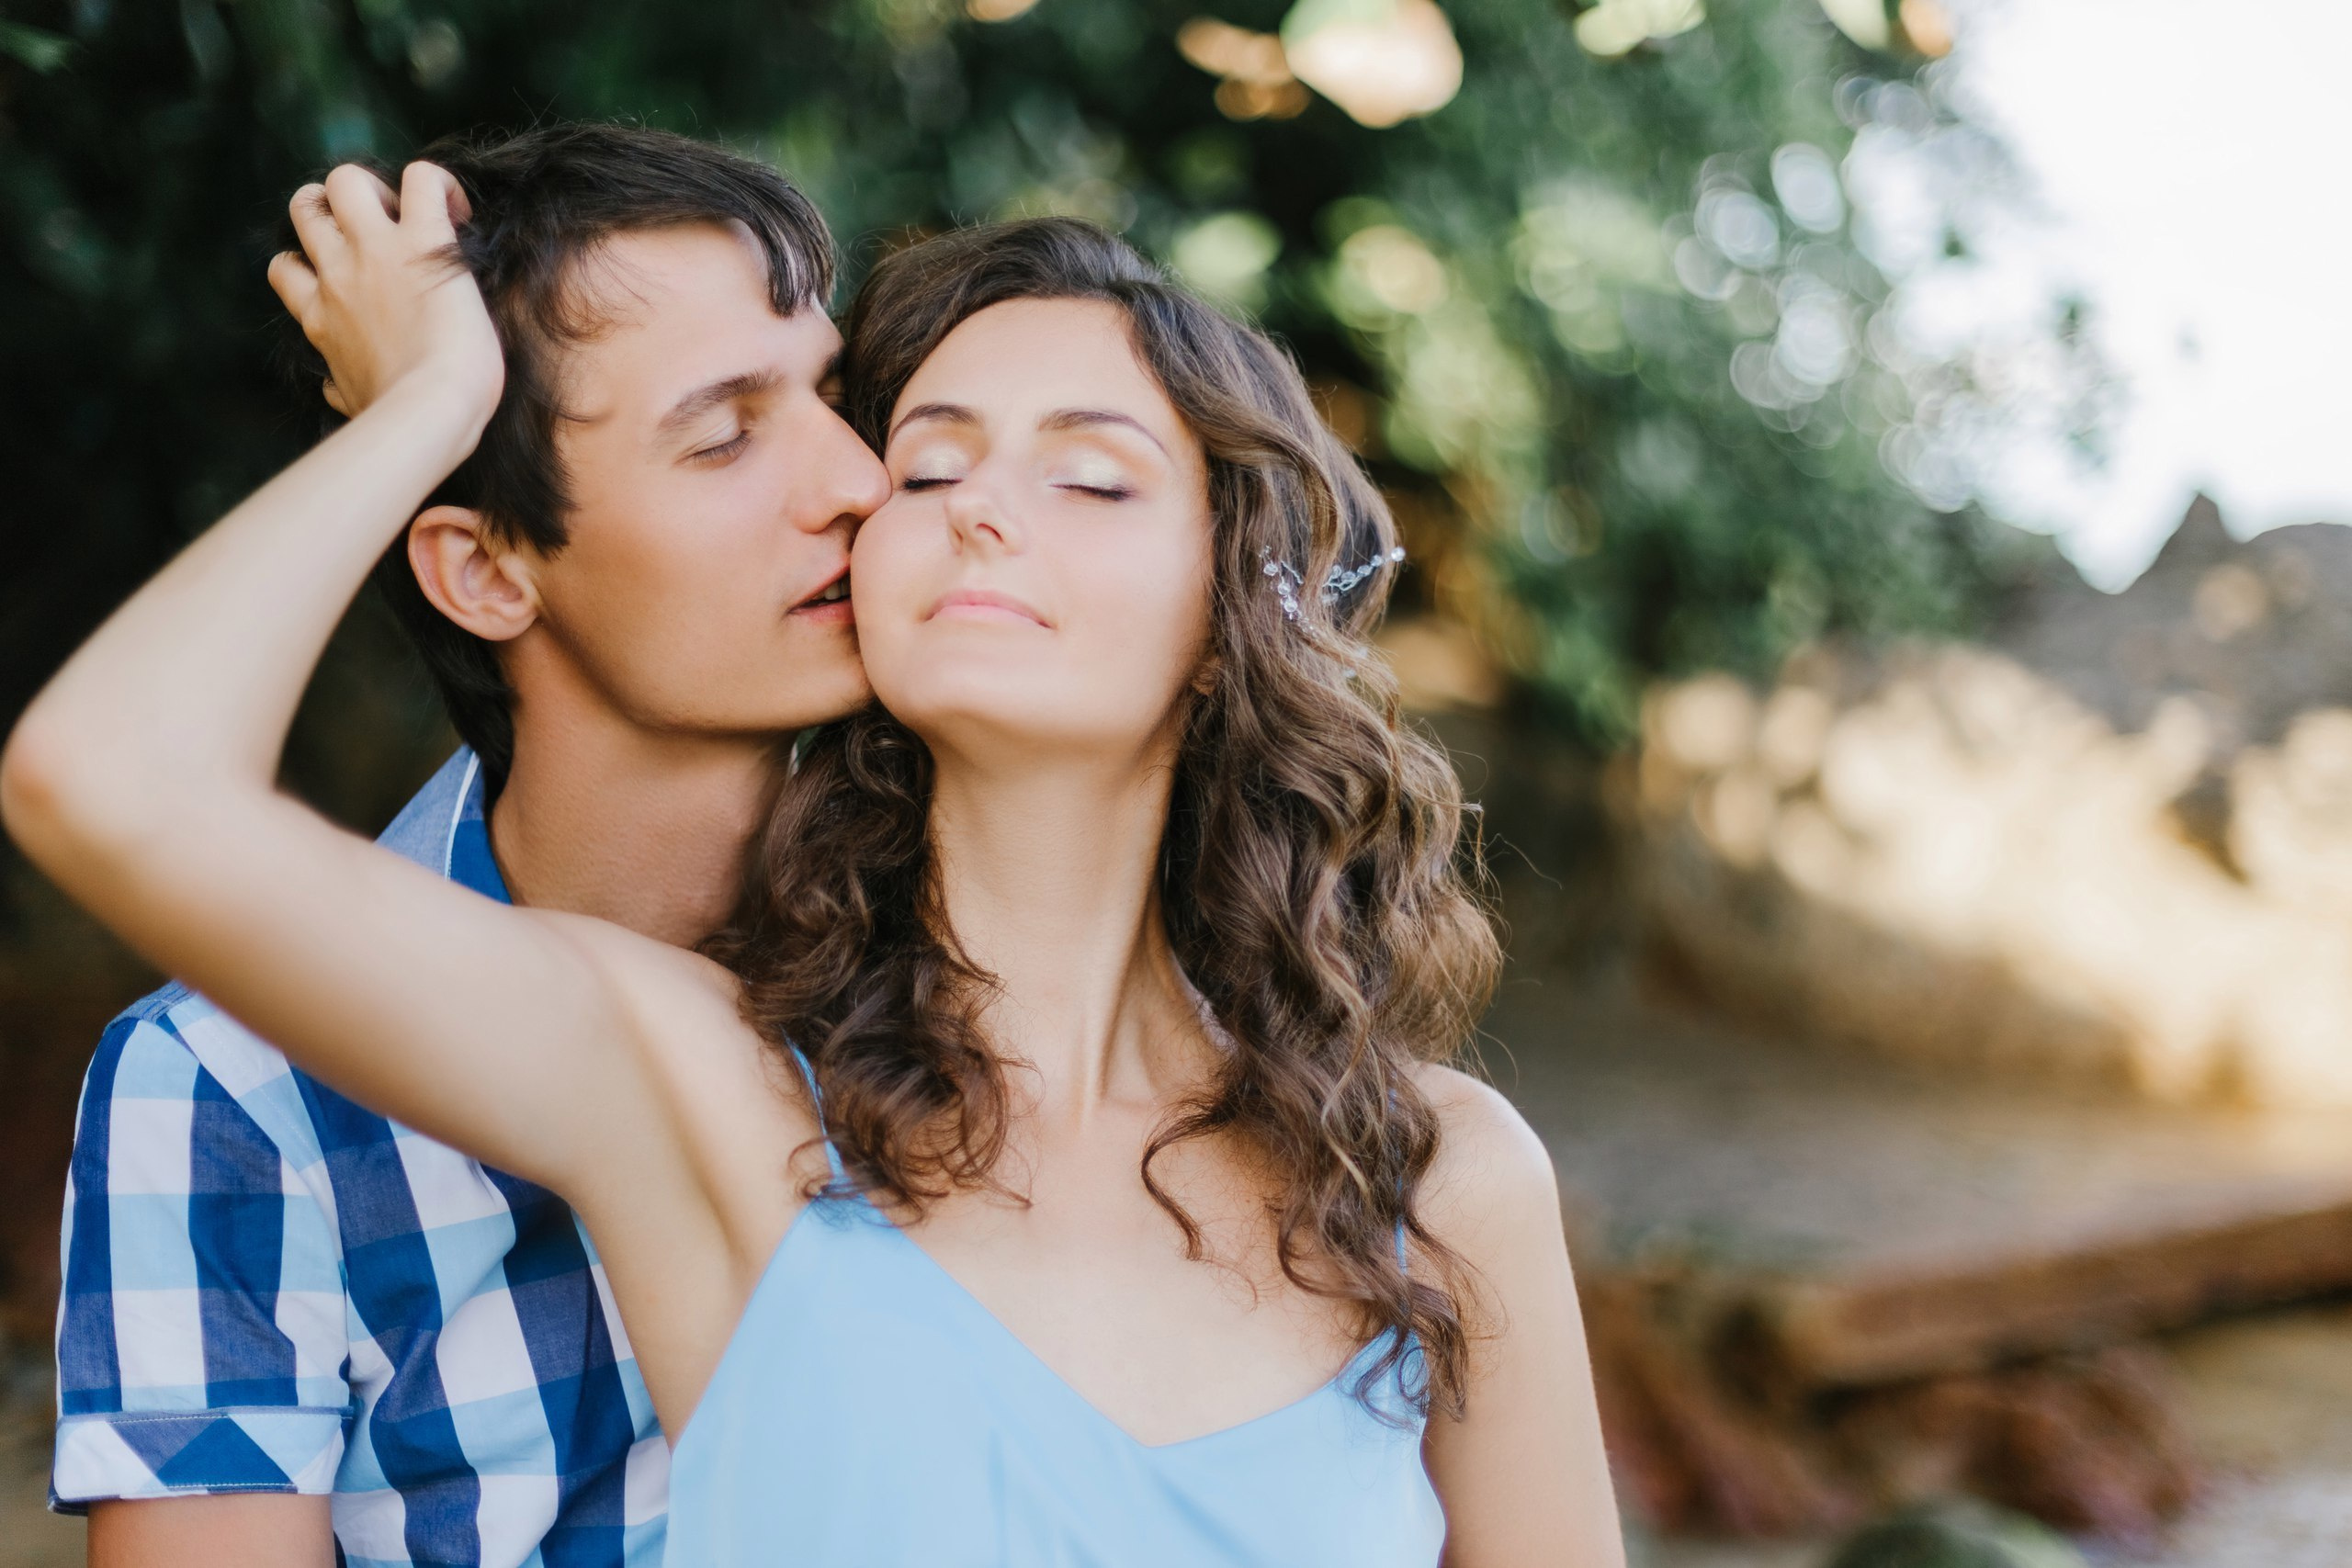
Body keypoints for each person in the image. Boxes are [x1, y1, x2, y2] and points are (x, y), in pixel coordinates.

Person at [6, 160, 1624, 1566]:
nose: (934, 503)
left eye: (1090, 474)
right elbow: (115, 786)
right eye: (929, 462)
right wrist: (431, 409)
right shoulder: (710, 1092)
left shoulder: (1445, 1185)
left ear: (1230, 617)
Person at [41, 126, 886, 1568]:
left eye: (838, 396)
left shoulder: (981, 957)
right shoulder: (238, 1088)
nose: (859, 480)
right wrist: (429, 404)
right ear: (488, 568)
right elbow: (113, 780)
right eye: (726, 433)